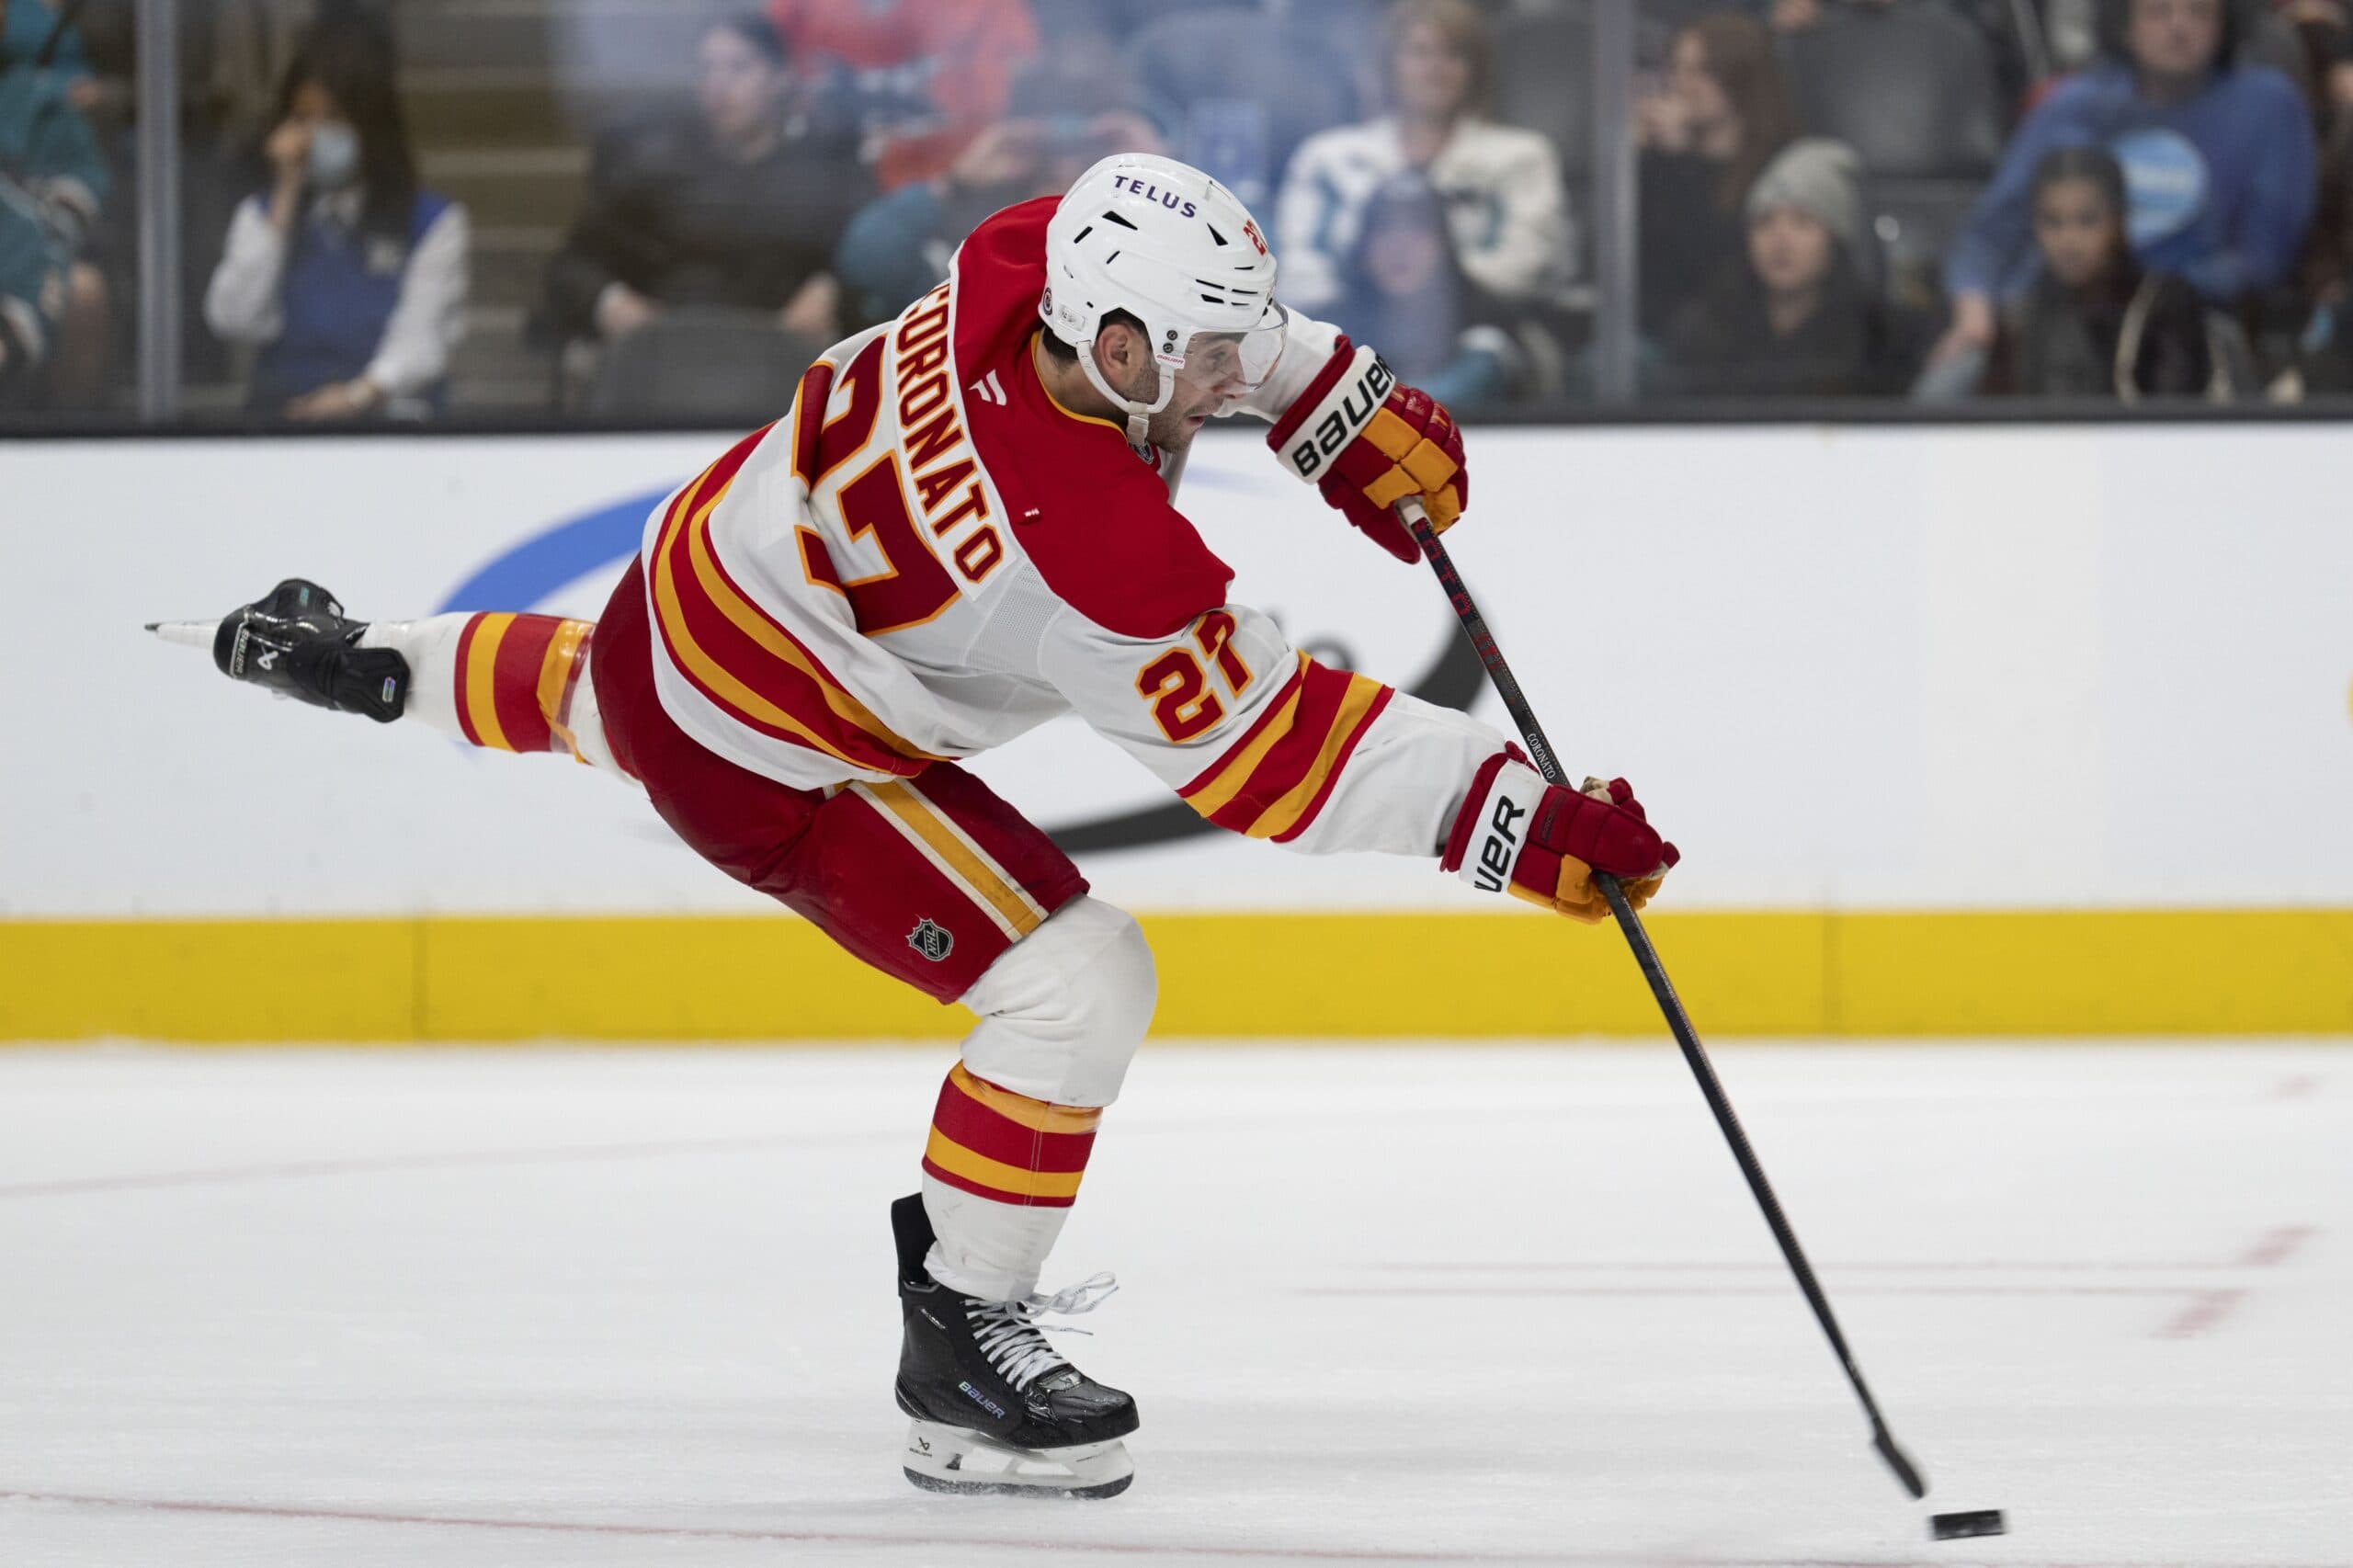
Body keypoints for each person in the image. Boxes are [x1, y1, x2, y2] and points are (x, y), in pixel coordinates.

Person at [155, 153, 1678, 1499]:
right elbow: (1278, 758)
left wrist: (1327, 394)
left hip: (683, 590)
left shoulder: (1024, 258)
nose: (1230, 371)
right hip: (770, 752)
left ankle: (376, 660)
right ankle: (961, 1333)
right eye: (1207, 356)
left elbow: (1189, 312)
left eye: (1232, 346)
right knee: (1078, 983)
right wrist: (1520, 820)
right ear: (1120, 342)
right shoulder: (1093, 564)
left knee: (611, 695)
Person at [1935, 0, 2315, 368]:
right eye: (2158, 11)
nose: (2178, 27)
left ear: (2225, 22)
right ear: (2124, 22)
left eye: (2198, 11)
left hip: (2200, 333)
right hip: (2056, 325)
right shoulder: (2070, 106)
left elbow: (2265, 258)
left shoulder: (2268, 105)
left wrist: (2157, 299)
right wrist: (1975, 310)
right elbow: (1991, 232)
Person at [545, 16, 866, 350]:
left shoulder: (825, 169)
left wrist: (830, 290)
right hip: (667, 362)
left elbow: (874, 257)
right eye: (707, 69)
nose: (719, 84)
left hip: (785, 371)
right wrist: (610, 302)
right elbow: (572, 265)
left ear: (781, 78)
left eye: (738, 67)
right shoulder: (654, 167)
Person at [203, 18, 467, 421]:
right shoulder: (262, 215)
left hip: (390, 428)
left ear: (371, 125)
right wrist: (284, 196)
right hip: (282, 423)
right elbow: (235, 319)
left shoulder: (434, 223)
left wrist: (358, 396)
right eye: (303, 118)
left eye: (334, 119)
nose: (314, 135)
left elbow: (420, 343)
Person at [1274, 0, 1574, 318]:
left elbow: (1522, 269)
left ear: (1476, 68)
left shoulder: (1521, 157)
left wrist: (1431, 291)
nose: (1436, 68)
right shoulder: (1328, 157)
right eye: (1419, 52)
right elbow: (1297, 270)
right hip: (1348, 329)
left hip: (1477, 327)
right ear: (1389, 63)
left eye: (1454, 54)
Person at [1661, 138, 1926, 396]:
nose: (1780, 240)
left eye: (1802, 221)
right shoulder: (1705, 334)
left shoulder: (1880, 342)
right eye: (1765, 221)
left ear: (1834, 239)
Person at [1990, 144, 2214, 396]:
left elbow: (2176, 423)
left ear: (2118, 221)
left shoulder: (2163, 304)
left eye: (2087, 220)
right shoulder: (2021, 313)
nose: (2068, 241)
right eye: (2053, 222)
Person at [1633, 12, 1800, 338]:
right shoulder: (1660, 161)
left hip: (1740, 340)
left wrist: (1683, 161)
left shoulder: (1781, 167)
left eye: (1700, 71)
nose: (1682, 83)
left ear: (1740, 78)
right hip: (1656, 334)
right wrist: (1635, 159)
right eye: (1677, 68)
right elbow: (1614, 260)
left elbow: (1724, 270)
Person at [767, 0, 1040, 189]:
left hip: (969, 187)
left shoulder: (989, 10)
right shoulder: (795, 10)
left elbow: (1023, 92)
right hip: (830, 197)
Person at [1324, 170, 1523, 410]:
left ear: (1444, 246)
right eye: (1384, 229)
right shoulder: (1329, 329)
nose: (1399, 246)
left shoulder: (1488, 322)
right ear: (1362, 246)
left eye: (1418, 229)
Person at [0, 0, 108, 409]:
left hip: (18, 269)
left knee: (82, 290)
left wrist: (10, 332)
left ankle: (71, 440)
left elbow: (72, 202)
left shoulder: (40, 99)